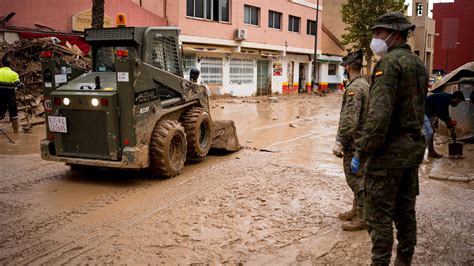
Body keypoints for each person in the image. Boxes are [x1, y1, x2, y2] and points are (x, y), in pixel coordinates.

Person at [351, 12, 428, 265]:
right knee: (406, 211)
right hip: (411, 152)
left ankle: (380, 262)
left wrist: (361, 150)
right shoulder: (417, 64)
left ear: (394, 34)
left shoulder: (388, 64)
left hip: (388, 155)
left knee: (379, 214)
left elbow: (379, 115)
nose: (374, 38)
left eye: (378, 33)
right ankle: (404, 260)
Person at [332, 49, 370, 231]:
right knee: (359, 176)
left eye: (343, 67)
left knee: (355, 180)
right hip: (362, 140)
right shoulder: (363, 84)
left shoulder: (354, 88)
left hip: (355, 142)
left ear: (347, 67)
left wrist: (339, 141)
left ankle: (363, 217)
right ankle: (357, 211)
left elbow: (350, 119)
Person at [424, 91, 465, 158]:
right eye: (459, 102)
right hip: (423, 112)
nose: (458, 104)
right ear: (456, 99)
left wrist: (450, 128)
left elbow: (445, 114)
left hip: (428, 113)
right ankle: (428, 152)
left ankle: (431, 152)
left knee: (430, 131)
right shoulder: (444, 99)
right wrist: (449, 121)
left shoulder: (446, 99)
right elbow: (440, 113)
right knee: (429, 132)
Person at [0, 56, 21, 133]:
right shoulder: (14, 74)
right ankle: (15, 130)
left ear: (2, 63)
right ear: (10, 64)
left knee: (0, 111)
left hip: (0, 96)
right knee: (13, 112)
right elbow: (18, 84)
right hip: (10, 95)